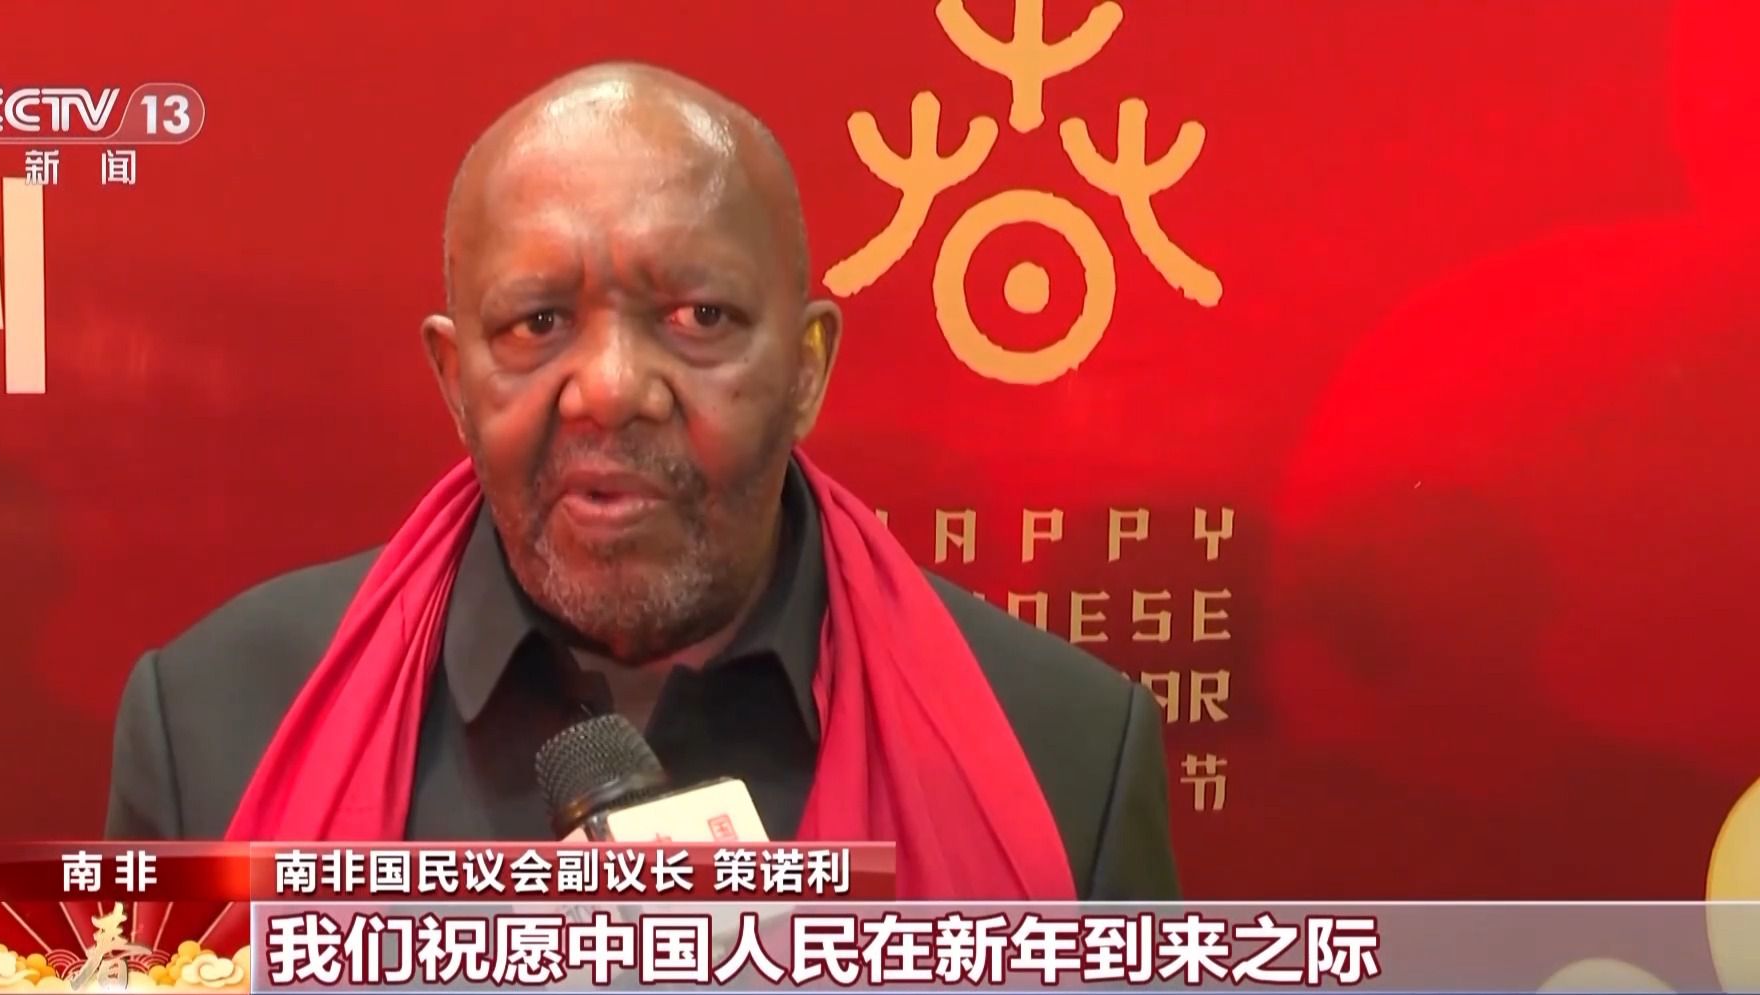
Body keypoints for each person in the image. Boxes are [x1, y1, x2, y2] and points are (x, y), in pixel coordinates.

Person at [105, 62, 1179, 900]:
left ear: (807, 368)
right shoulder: (213, 727)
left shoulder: (1063, 755)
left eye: (698, 317)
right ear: (455, 380)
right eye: (538, 322)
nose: (613, 388)